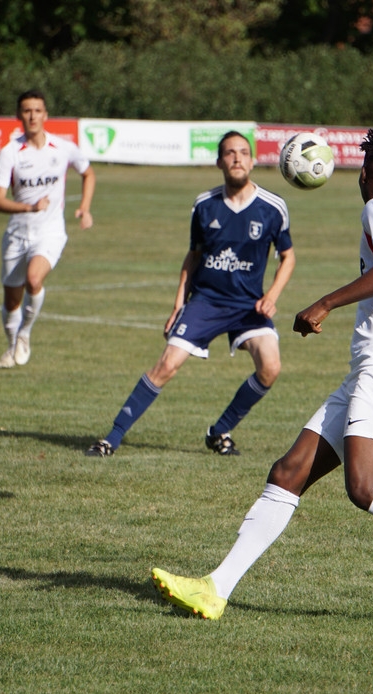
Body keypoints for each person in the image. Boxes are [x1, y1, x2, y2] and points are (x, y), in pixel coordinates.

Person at [150, 125, 373, 631]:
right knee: (289, 471)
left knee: (364, 486)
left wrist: (325, 302)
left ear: (365, 176)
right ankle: (216, 589)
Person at [86, 131, 295, 457]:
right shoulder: (204, 205)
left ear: (252, 161)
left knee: (271, 367)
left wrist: (272, 295)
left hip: (247, 305)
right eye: (229, 153)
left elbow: (288, 257)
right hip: (206, 301)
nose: (237, 158)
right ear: (219, 162)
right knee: (167, 365)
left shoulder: (273, 207)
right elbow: (193, 256)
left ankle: (220, 430)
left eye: (243, 152)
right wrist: (178, 304)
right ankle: (111, 438)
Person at [0, 89, 96, 369]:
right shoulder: (10, 153)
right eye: (26, 110)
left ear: (46, 115)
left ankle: (24, 334)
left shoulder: (62, 148)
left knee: (34, 280)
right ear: (18, 116)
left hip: (50, 232)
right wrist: (28, 207)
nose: (32, 115)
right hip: (17, 234)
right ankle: (12, 345)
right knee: (11, 300)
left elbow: (88, 173)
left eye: (37, 110)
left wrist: (85, 208)